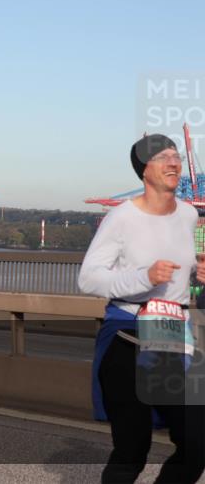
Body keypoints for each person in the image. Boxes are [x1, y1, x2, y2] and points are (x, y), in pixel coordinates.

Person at [78, 134, 205, 483]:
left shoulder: (189, 214)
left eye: (176, 156)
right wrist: (142, 277)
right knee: (132, 450)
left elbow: (180, 268)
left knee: (196, 444)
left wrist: (197, 271)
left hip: (174, 336)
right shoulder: (121, 216)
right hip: (128, 334)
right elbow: (88, 279)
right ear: (144, 170)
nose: (174, 163)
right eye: (163, 157)